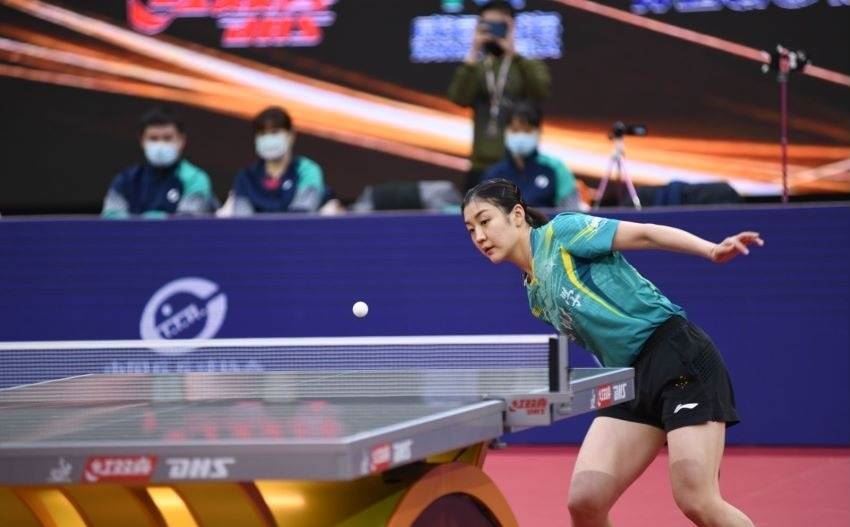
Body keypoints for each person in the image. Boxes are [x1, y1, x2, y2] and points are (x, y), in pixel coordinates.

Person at [462, 179, 760, 527]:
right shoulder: (534, 297)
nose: (479, 236)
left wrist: (711, 250)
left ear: (516, 214)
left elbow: (646, 234)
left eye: (485, 221)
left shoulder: (562, 232)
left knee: (697, 500)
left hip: (676, 358)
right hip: (628, 379)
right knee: (585, 500)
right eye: (470, 230)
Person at [447, 0, 550, 192]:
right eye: (487, 25)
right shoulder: (476, 68)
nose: (492, 32)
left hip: (519, 164)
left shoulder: (525, 65)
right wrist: (473, 51)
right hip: (480, 163)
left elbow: (540, 92)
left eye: (499, 25)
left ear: (511, 27)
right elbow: (458, 98)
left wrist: (514, 52)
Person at [102, 107, 215, 218]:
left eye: (167, 138)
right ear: (142, 141)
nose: (160, 145)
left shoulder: (194, 179)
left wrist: (142, 220)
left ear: (181, 140)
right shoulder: (126, 179)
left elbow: (187, 222)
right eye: (153, 138)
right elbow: (111, 218)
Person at [221, 106, 335, 216]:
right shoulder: (246, 177)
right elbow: (243, 221)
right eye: (263, 134)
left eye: (274, 132)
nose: (268, 139)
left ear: (291, 135)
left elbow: (301, 215)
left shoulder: (307, 171)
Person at [482, 102, 582, 210]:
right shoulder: (493, 174)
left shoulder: (556, 169)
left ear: (538, 132)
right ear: (506, 132)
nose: (520, 136)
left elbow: (572, 214)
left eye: (527, 131)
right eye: (515, 130)